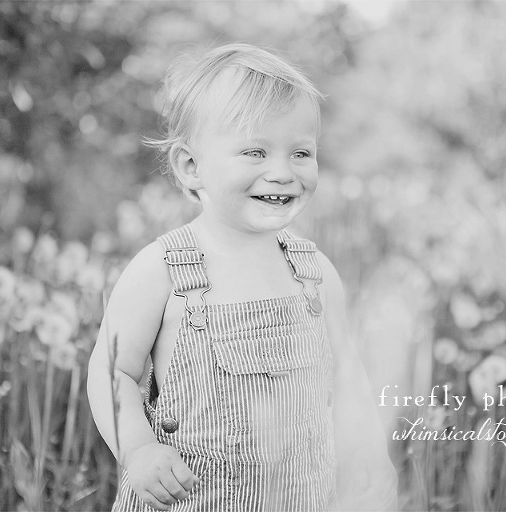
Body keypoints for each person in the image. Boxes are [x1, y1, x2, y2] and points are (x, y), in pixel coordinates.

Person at [87, 43, 398, 512]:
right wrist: (138, 448)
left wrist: (370, 454)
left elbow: (348, 376)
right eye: (255, 152)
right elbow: (113, 372)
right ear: (191, 167)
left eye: (301, 152)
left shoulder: (314, 273)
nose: (282, 172)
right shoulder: (162, 270)